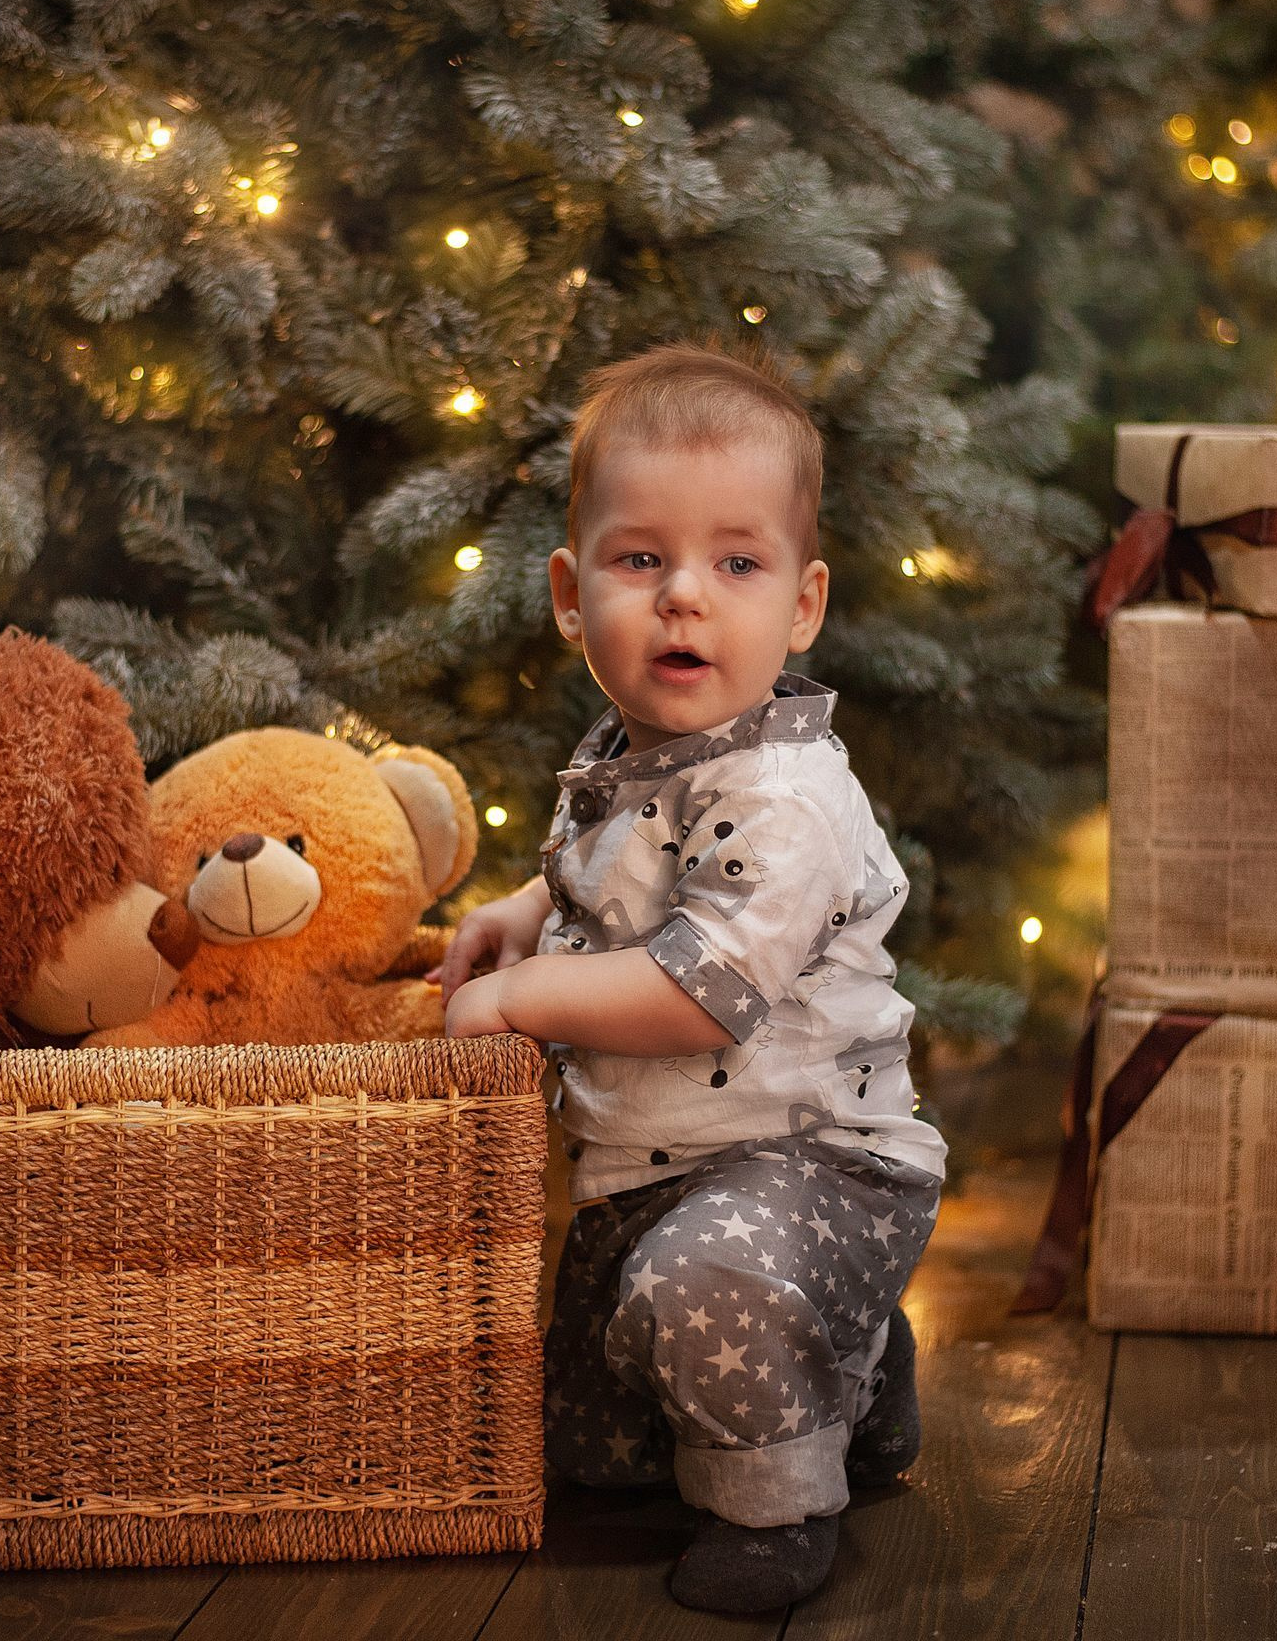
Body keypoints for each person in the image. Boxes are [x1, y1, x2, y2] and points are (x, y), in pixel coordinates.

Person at [434, 339, 944, 1614]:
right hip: (648, 1163)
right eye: (639, 559)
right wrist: (521, 909)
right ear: (570, 595)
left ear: (803, 606)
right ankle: (858, 1366)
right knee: (594, 1449)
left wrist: (518, 999)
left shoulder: (784, 795)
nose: (682, 598)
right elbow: (615, 879)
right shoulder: (632, 743)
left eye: (736, 563)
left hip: (809, 1162)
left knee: (704, 1296)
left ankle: (781, 1511)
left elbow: (695, 990)